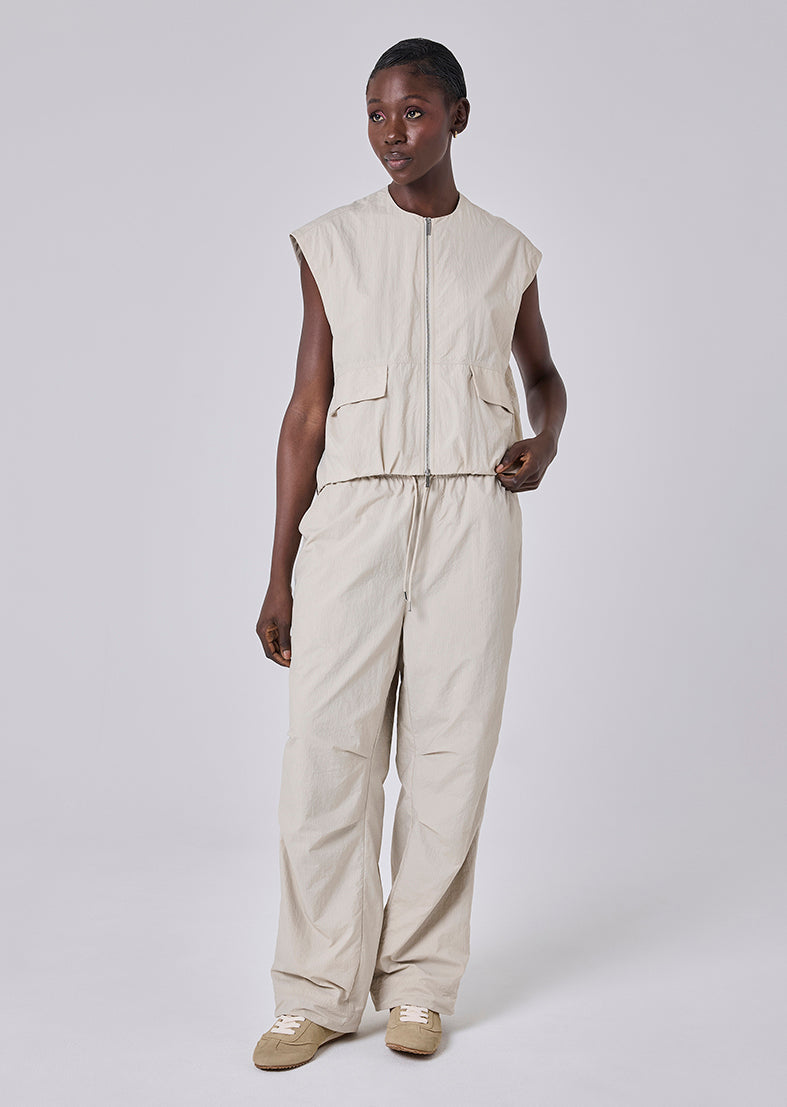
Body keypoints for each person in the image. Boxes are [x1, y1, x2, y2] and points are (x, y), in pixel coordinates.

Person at [252, 37, 567, 1070]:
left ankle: (420, 985)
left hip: (474, 514)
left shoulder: (505, 252)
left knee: (447, 753)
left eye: (415, 112)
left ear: (458, 117)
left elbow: (544, 377)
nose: (393, 132)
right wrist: (278, 570)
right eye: (377, 113)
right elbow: (306, 411)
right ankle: (315, 991)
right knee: (325, 754)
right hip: (354, 515)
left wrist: (545, 439)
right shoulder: (331, 244)